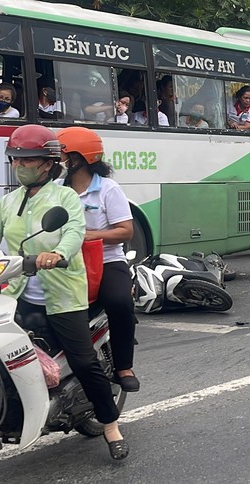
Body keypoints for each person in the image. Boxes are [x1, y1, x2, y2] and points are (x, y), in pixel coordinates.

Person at [0, 125, 128, 460]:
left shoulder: (65, 197)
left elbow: (73, 230)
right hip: (19, 292)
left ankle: (111, 425)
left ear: (49, 163)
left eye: (31, 160)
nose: (21, 166)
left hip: (63, 294)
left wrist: (58, 254)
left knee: (84, 361)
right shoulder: (7, 202)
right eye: (16, 160)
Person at [57, 126, 140, 395]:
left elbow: (125, 231)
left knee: (119, 301)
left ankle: (124, 366)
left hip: (106, 261)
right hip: (66, 262)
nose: (58, 161)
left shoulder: (107, 189)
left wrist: (92, 235)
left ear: (80, 158)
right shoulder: (57, 190)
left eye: (63, 155)